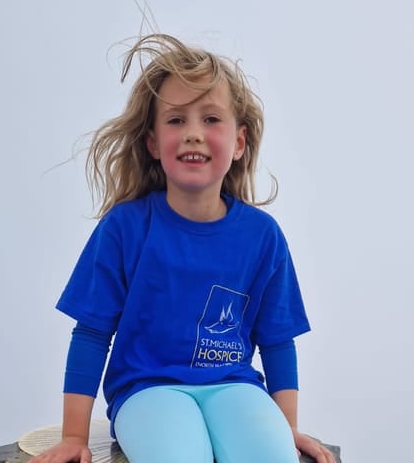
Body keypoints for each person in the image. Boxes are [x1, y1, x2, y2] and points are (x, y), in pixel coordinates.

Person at [29, 33, 335, 463]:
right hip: (148, 390)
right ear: (153, 143)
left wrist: (288, 431)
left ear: (240, 141)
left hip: (235, 388)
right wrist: (74, 437)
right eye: (176, 120)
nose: (193, 133)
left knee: (271, 455)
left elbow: (277, 340)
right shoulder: (125, 228)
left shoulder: (262, 235)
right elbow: (92, 332)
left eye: (211, 119)